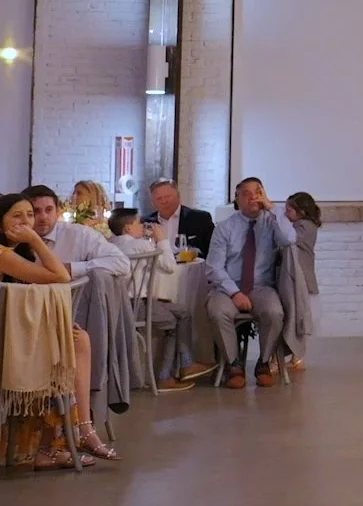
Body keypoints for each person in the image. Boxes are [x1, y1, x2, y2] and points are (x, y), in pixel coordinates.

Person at [0, 192, 115, 467]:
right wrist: (36, 240)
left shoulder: (18, 253)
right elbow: (61, 276)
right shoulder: (4, 254)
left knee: (78, 339)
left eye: (29, 215)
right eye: (17, 216)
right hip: (6, 340)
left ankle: (75, 432)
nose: (26, 222)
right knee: (72, 345)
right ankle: (68, 437)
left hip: (14, 333)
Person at [203, 177, 298, 389]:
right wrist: (234, 293)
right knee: (217, 311)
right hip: (228, 287)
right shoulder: (225, 227)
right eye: (245, 194)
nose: (252, 197)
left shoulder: (272, 222)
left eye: (257, 192)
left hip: (261, 286)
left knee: (274, 312)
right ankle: (233, 364)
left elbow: (290, 239)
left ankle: (264, 362)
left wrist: (272, 207)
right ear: (237, 200)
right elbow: (214, 267)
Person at [108, 210, 213, 391]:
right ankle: (165, 376)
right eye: (139, 223)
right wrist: (162, 240)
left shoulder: (110, 245)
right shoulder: (140, 245)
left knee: (182, 312)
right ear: (128, 228)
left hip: (117, 304)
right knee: (172, 320)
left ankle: (186, 364)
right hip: (135, 306)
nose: (143, 226)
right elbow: (169, 266)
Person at [23, 185, 128, 281]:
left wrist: (72, 268)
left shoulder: (79, 234)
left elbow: (121, 262)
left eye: (49, 210)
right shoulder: (16, 238)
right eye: (36, 211)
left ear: (57, 212)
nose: (43, 217)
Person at [282, 193, 323, 372]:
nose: (286, 213)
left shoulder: (304, 227)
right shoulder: (303, 226)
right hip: (300, 277)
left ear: (302, 211)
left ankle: (296, 356)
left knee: (298, 317)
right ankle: (295, 356)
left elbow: (289, 238)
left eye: (289, 210)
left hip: (302, 279)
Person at [144, 178, 214, 257]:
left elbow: (213, 252)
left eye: (168, 196)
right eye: (159, 198)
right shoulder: (146, 222)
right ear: (152, 202)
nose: (164, 201)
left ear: (178, 196)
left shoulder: (200, 219)